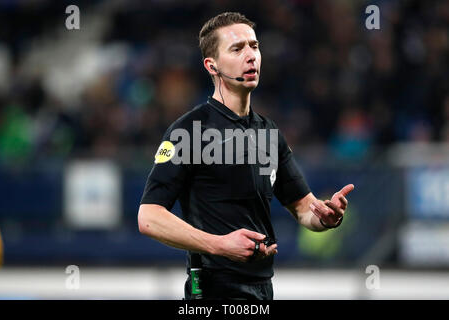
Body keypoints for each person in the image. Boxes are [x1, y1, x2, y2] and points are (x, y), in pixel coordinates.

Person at [138, 12, 354, 300]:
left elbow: (304, 209)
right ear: (211, 65)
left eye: (254, 46)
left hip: (263, 291)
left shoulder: (269, 133)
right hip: (211, 291)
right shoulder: (188, 132)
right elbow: (149, 217)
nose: (251, 56)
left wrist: (326, 217)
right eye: (237, 49)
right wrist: (218, 245)